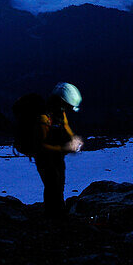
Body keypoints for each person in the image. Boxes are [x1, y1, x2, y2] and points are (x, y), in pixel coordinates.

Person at [35, 82, 84, 220]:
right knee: (52, 185)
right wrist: (65, 147)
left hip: (56, 156)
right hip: (44, 158)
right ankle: (52, 217)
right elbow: (41, 145)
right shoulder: (43, 117)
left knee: (58, 183)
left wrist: (73, 139)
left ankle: (57, 214)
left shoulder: (59, 112)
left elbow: (66, 126)